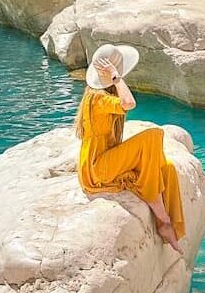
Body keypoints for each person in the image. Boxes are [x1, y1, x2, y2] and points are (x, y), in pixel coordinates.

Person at [74, 44, 185, 253]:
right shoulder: (97, 98)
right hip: (97, 169)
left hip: (106, 161)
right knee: (154, 135)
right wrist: (116, 78)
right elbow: (129, 103)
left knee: (167, 168)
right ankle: (164, 219)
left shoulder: (100, 94)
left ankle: (166, 227)